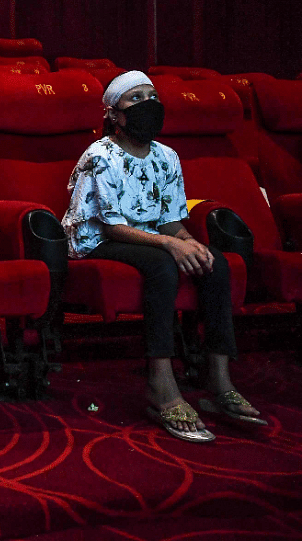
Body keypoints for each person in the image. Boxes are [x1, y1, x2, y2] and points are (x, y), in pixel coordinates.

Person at [62, 71, 265, 444]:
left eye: (151, 97)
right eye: (135, 100)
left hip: (148, 238)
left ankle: (219, 380)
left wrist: (189, 242)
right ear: (114, 115)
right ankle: (161, 383)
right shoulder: (100, 155)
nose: (148, 106)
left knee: (215, 262)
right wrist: (172, 246)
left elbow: (170, 220)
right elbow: (111, 227)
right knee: (162, 265)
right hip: (95, 240)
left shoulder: (167, 156)